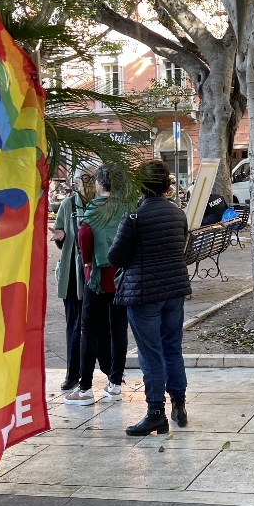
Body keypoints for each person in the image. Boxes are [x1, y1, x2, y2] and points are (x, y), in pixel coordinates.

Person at [108, 161, 191, 436]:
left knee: (150, 353)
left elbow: (115, 257)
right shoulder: (178, 214)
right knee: (172, 347)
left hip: (144, 292)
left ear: (141, 186)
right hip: (174, 290)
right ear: (167, 185)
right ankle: (179, 404)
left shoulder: (134, 218)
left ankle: (156, 412)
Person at [64, 166, 130, 406]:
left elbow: (84, 237)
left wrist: (88, 262)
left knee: (89, 331)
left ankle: (85, 388)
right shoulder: (127, 208)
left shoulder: (93, 210)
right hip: (121, 277)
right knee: (119, 329)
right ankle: (114, 385)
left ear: (101, 184)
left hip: (98, 277)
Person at [50, 167, 94, 392]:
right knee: (74, 326)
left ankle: (96, 373)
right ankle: (73, 373)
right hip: (72, 275)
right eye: (81, 179)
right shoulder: (68, 205)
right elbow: (59, 232)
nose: (85, 183)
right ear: (75, 182)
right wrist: (61, 237)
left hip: (95, 273)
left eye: (90, 179)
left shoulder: (102, 204)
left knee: (97, 328)